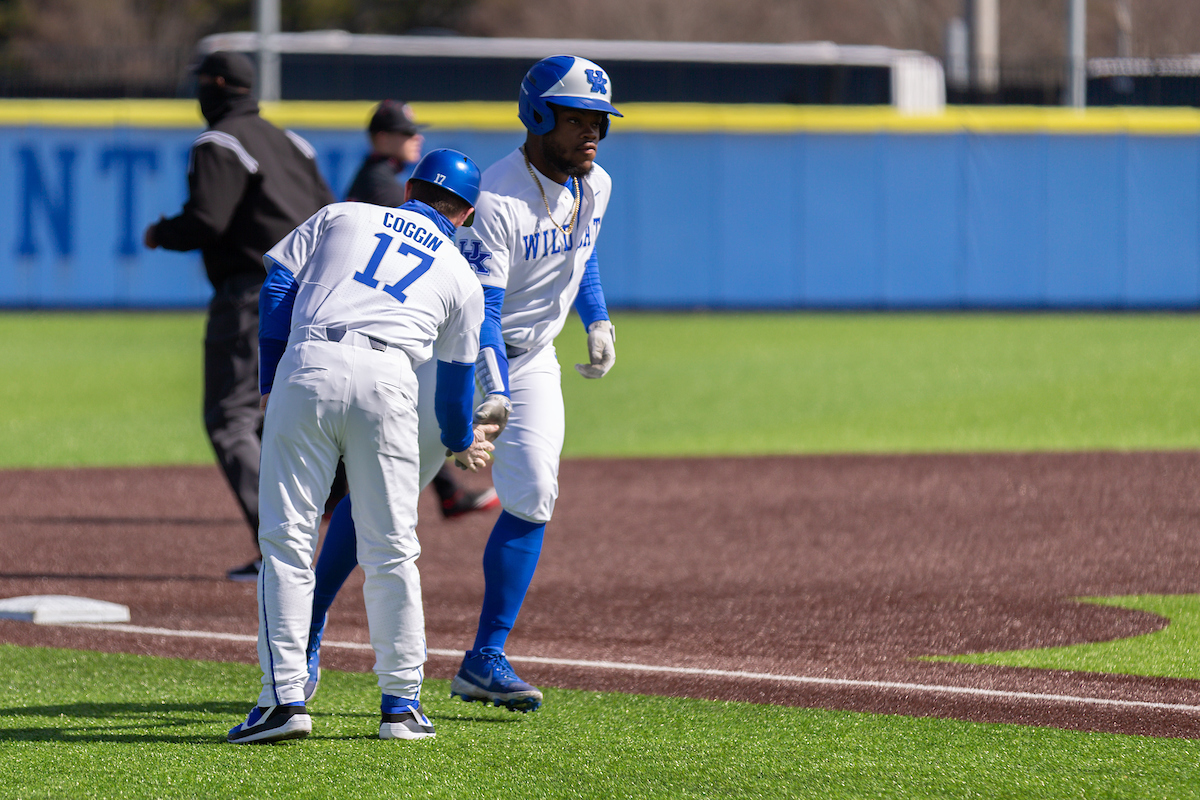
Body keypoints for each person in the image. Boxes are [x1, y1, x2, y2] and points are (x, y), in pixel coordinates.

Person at [302, 55, 621, 713]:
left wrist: (597, 318)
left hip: (531, 359)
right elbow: (482, 317)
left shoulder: (597, 184)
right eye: (577, 119)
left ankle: (486, 658)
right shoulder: (496, 200)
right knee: (380, 499)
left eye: (599, 120)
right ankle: (304, 630)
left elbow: (581, 253)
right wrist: (484, 404)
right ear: (537, 116)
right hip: (451, 354)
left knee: (533, 493)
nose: (591, 132)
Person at [227, 149, 494, 744]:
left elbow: (276, 287)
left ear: (409, 190)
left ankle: (283, 702)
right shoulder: (460, 275)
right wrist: (458, 442)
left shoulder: (343, 214)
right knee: (392, 549)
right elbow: (453, 389)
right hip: (392, 380)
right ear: (467, 214)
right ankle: (400, 706)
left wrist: (274, 381)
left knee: (288, 542)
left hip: (312, 361)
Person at [144, 51, 335, 583]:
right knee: (286, 413)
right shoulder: (293, 142)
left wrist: (163, 232)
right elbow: (330, 214)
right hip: (316, 293)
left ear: (217, 86)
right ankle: (335, 507)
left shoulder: (219, 142)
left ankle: (280, 546)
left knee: (231, 418)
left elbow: (208, 218)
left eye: (201, 84)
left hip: (255, 293)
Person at [339, 99, 501, 520]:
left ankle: (442, 491)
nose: (417, 137)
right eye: (407, 133)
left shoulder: (378, 178)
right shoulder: (383, 185)